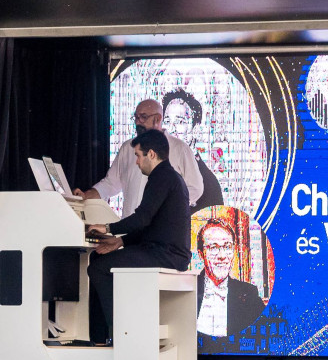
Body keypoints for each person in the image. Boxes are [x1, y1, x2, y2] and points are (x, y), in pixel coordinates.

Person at [86, 129, 191, 344]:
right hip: (165, 251)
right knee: (98, 258)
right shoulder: (169, 176)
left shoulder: (162, 177)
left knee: (97, 268)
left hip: (166, 254)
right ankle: (101, 336)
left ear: (151, 154)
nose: (136, 162)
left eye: (138, 155)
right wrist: (120, 241)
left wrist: (107, 228)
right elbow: (152, 225)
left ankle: (122, 334)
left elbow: (142, 218)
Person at [75, 99, 204, 216]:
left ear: (157, 119)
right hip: (130, 228)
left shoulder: (179, 148)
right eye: (136, 117)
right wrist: (86, 196)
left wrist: (167, 208)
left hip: (162, 229)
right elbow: (111, 184)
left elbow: (195, 188)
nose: (138, 122)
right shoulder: (128, 148)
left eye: (143, 117)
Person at [195, 217, 264, 337]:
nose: (222, 256)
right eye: (213, 247)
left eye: (227, 247)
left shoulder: (249, 294)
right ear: (201, 254)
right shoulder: (188, 290)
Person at [160, 88, 224, 209]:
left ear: (196, 129)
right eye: (167, 121)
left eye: (180, 122)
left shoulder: (209, 183)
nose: (171, 128)